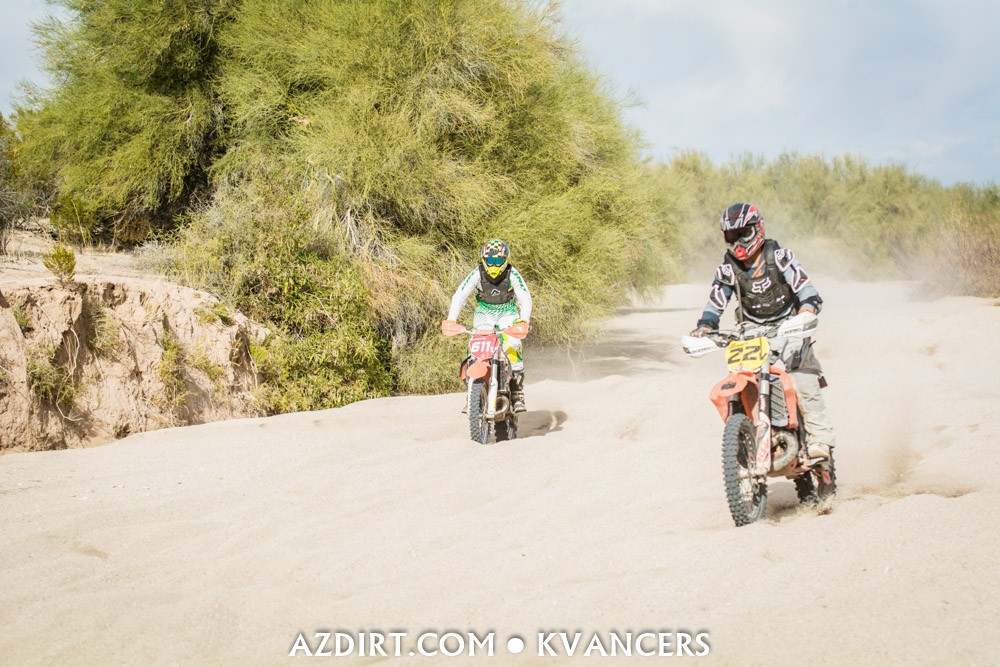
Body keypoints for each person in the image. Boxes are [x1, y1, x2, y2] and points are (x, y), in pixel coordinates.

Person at [690, 203, 836, 463]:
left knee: (801, 373)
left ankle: (819, 439)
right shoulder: (728, 269)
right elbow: (715, 302)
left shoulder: (779, 256)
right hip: (752, 331)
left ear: (757, 229)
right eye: (732, 235)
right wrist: (705, 327)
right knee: (744, 376)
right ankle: (751, 433)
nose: (738, 241)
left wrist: (807, 310)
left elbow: (805, 287)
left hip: (790, 324)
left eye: (743, 233)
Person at [442, 239, 533, 412]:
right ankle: (472, 394)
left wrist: (524, 320)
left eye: (498, 261)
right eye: (490, 260)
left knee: (513, 344)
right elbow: (460, 296)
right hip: (484, 314)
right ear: (484, 260)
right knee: (475, 349)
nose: (493, 265)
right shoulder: (477, 274)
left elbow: (525, 298)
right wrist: (451, 319)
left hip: (508, 313)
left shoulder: (512, 274)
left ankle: (517, 393)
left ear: (505, 260)